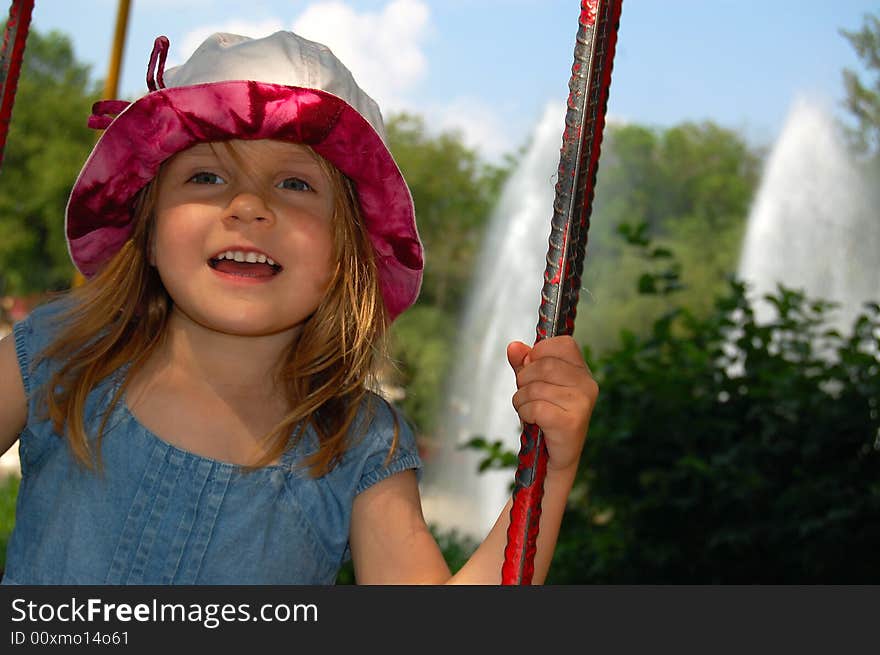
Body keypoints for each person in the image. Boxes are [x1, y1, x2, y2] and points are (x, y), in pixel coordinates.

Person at [0, 31, 597, 585]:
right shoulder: (60, 354)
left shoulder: (356, 444)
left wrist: (551, 470)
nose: (248, 206)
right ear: (148, 230)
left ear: (345, 254)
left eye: (295, 185)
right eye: (206, 176)